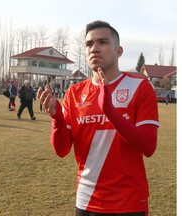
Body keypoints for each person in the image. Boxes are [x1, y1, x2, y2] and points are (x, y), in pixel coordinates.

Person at [37, 20, 159, 216]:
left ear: (119, 51)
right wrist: (57, 119)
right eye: (89, 44)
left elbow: (148, 146)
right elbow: (61, 150)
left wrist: (110, 111)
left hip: (129, 203)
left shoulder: (140, 87)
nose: (94, 48)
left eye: (102, 42)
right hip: (87, 201)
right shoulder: (74, 93)